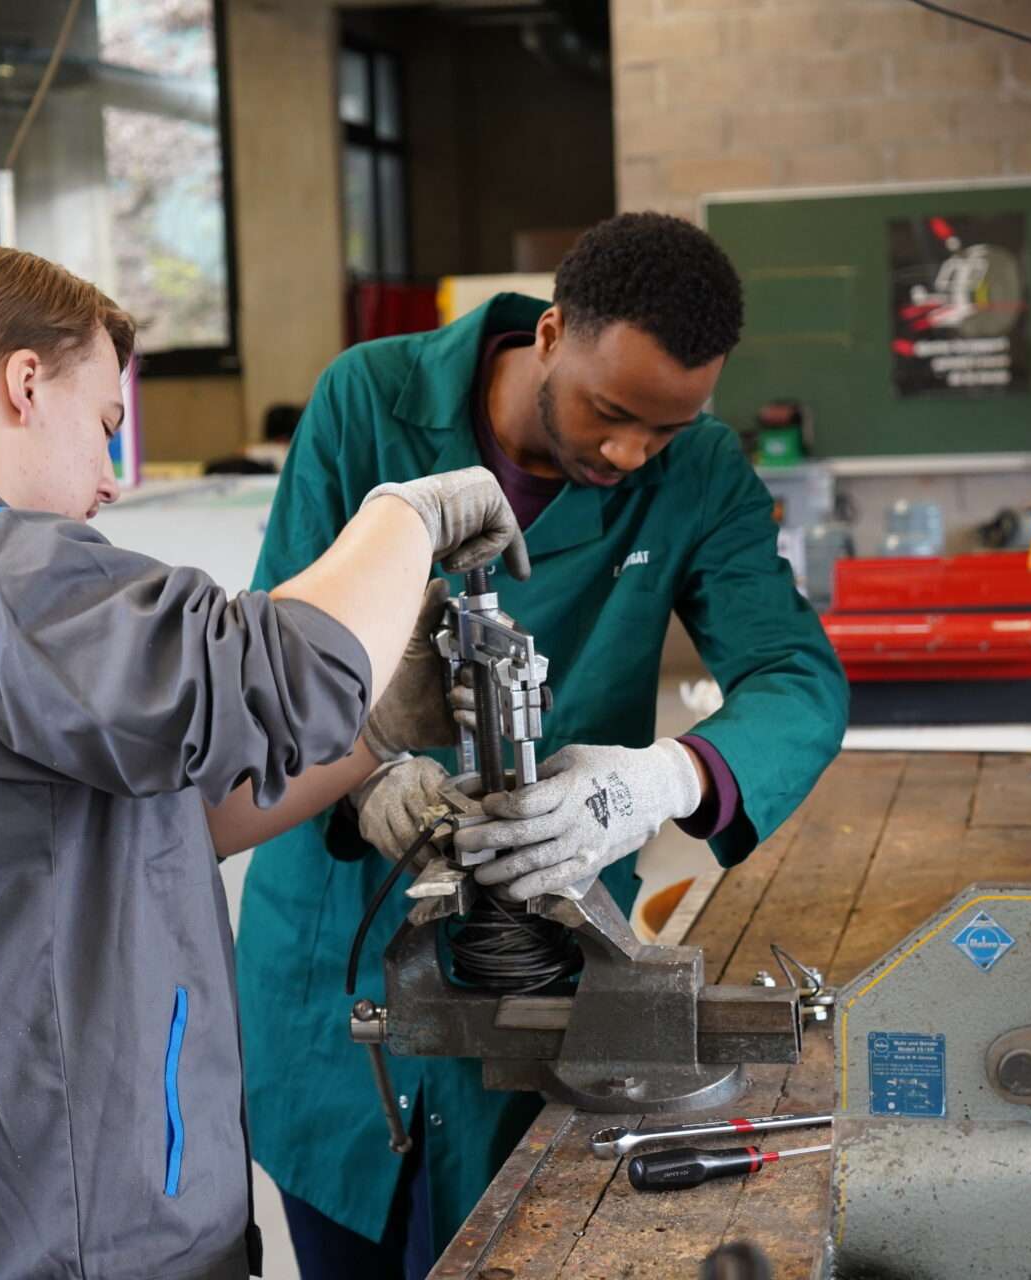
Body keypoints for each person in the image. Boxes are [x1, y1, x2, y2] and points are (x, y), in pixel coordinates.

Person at [0, 241, 526, 1280]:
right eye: (105, 426)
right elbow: (281, 673)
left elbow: (159, 813)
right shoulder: (3, 570)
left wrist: (376, 729)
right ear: (24, 382)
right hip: (84, 1225)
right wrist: (408, 515)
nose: (111, 481)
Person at [237, 212, 849, 1276]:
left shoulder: (696, 471)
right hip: (335, 958)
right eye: (611, 414)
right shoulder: (367, 400)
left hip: (554, 962)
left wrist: (662, 778)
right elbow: (281, 658)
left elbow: (798, 679)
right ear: (554, 333)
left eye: (662, 430)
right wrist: (371, 777)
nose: (629, 454)